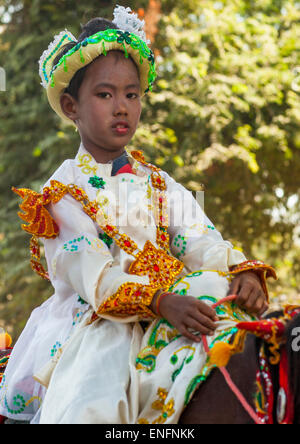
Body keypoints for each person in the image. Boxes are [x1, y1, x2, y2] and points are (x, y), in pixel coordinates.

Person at [0, 6, 276, 424]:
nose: (122, 107)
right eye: (105, 94)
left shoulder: (159, 182)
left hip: (179, 304)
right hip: (99, 322)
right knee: (92, 398)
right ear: (72, 106)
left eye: (132, 94)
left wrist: (243, 270)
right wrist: (158, 301)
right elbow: (92, 276)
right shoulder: (62, 193)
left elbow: (199, 238)